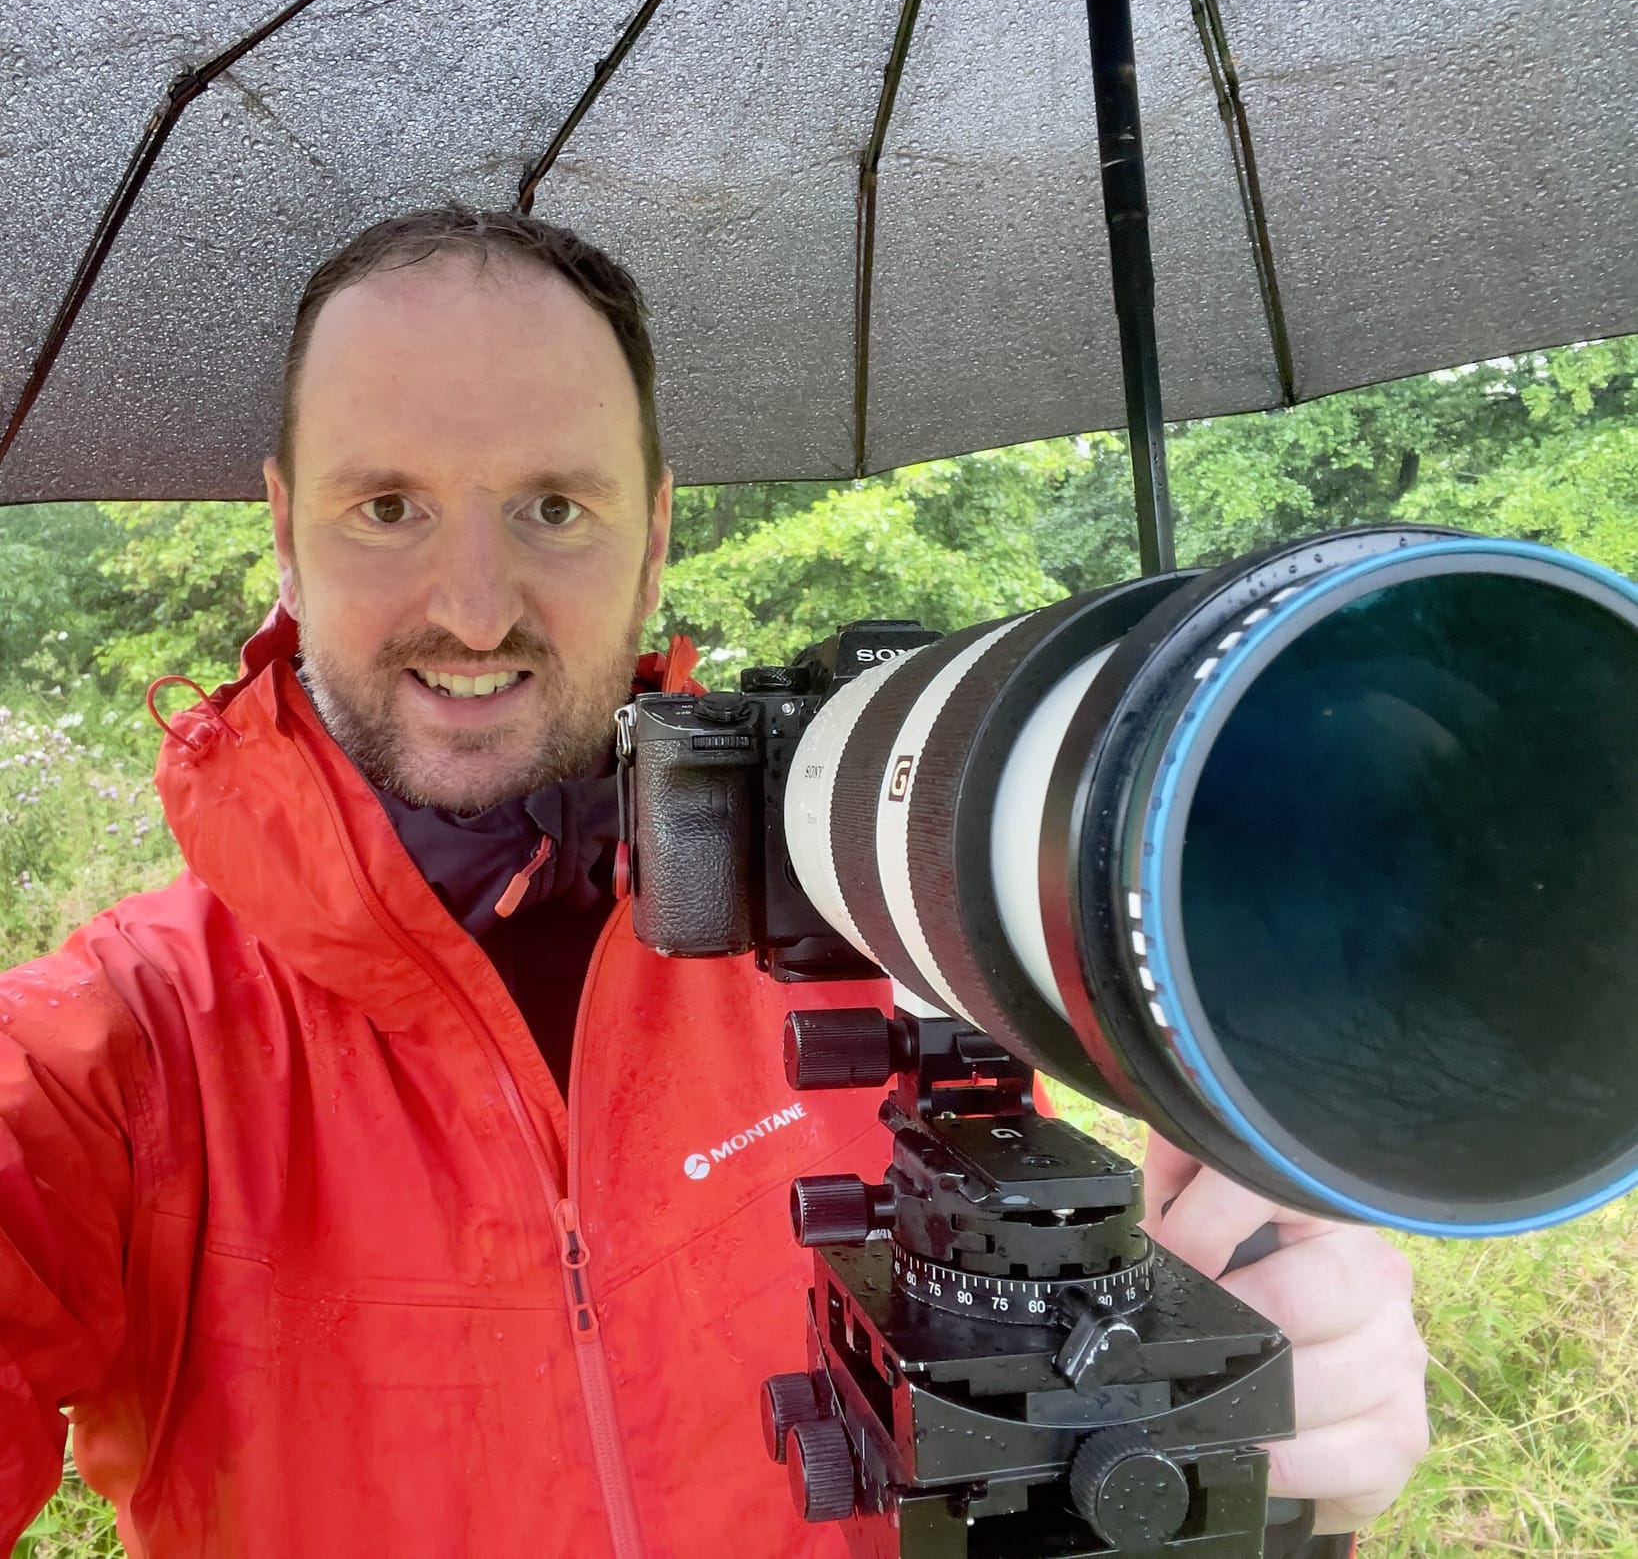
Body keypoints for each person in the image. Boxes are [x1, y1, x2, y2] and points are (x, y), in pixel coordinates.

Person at [0, 205, 1429, 1558]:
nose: (474, 605)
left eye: (556, 504)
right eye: (387, 505)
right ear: (283, 530)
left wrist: (1246, 1454)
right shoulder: (116, 1054)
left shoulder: (898, 940)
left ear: (658, 530)